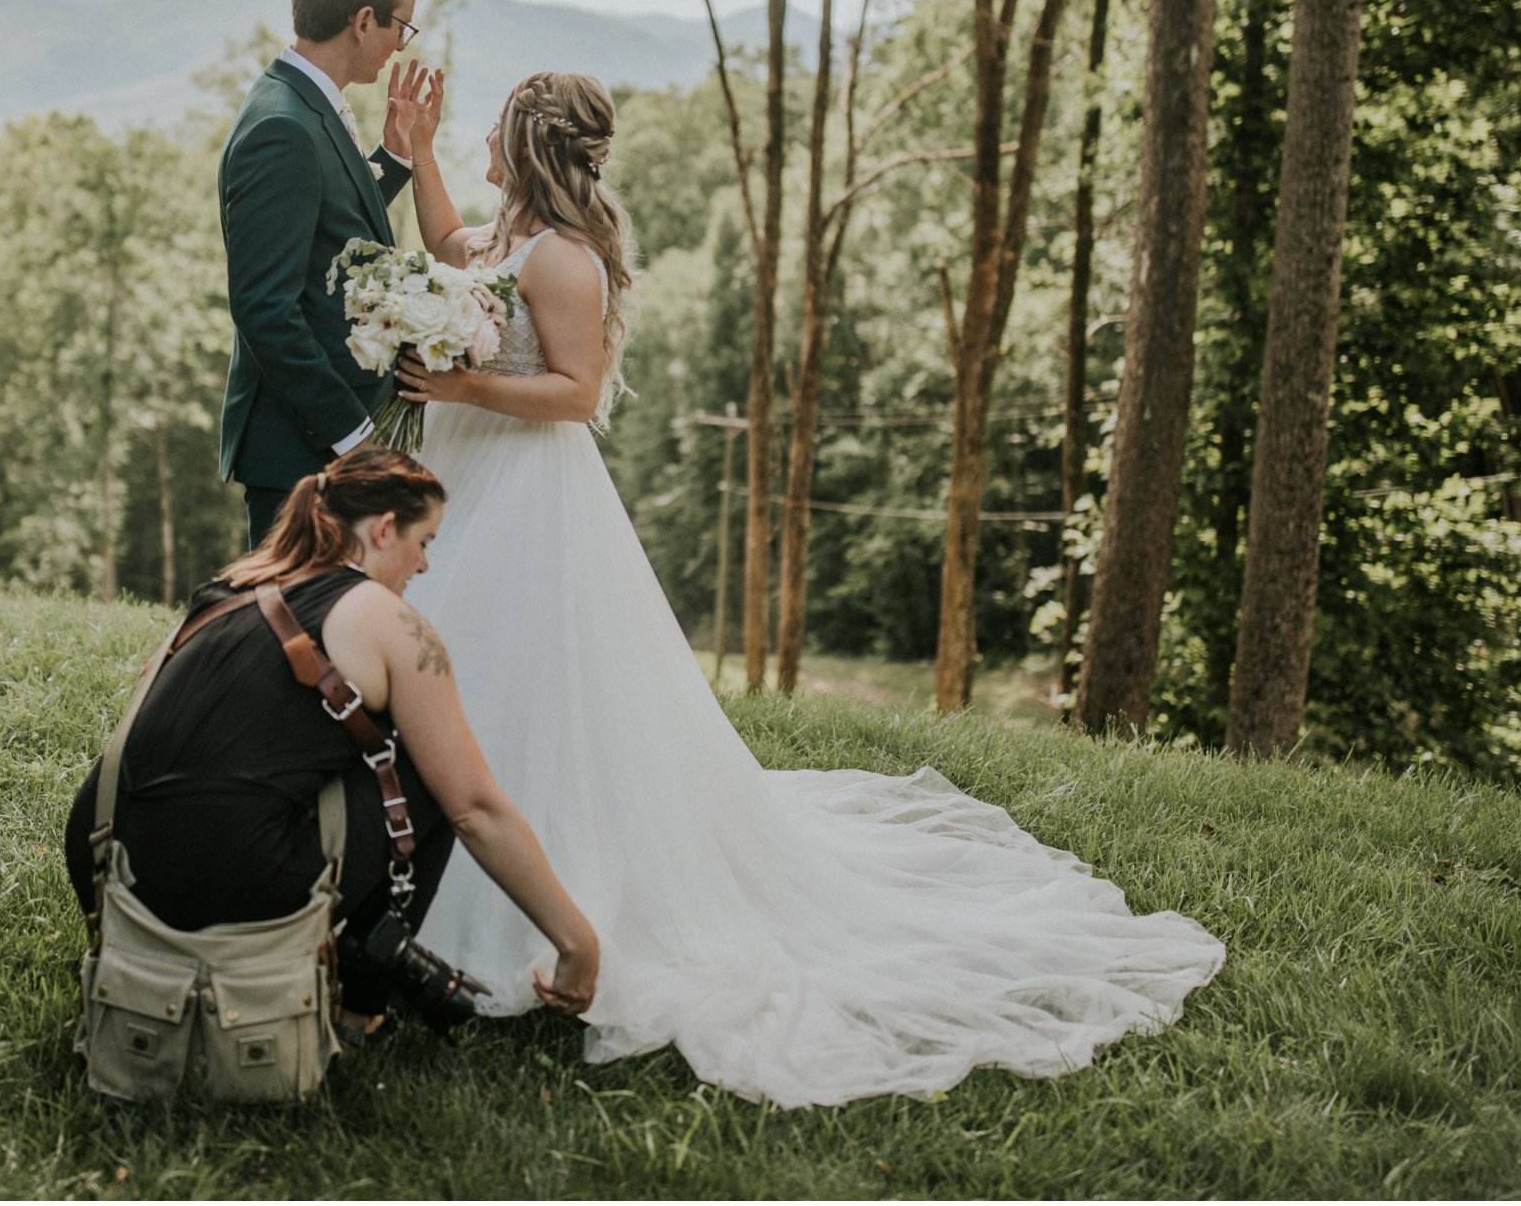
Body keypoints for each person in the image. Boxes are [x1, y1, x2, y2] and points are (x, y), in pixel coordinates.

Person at [386, 70, 1228, 1108]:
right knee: (464, 665)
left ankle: (523, 900)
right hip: (467, 480)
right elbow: (447, 257)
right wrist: (414, 151)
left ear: (528, 144)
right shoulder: (508, 240)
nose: (478, 136)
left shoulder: (563, 259)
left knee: (519, 680)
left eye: (489, 127)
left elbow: (577, 391)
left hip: (523, 493)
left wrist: (462, 384)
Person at [65, 448, 598, 1036]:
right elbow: (475, 810)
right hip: (230, 880)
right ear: (385, 528)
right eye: (425, 541)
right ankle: (357, 1010)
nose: (423, 565)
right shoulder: (382, 615)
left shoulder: (228, 589)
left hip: (107, 860)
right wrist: (577, 944)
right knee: (430, 779)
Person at [217, 0, 436, 547]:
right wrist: (354, 438)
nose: (400, 42)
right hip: (299, 451)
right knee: (290, 635)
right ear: (363, 21)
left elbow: (326, 230)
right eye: (400, 23)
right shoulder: (281, 128)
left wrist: (391, 161)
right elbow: (264, 309)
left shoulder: (300, 105)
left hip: (315, 446)